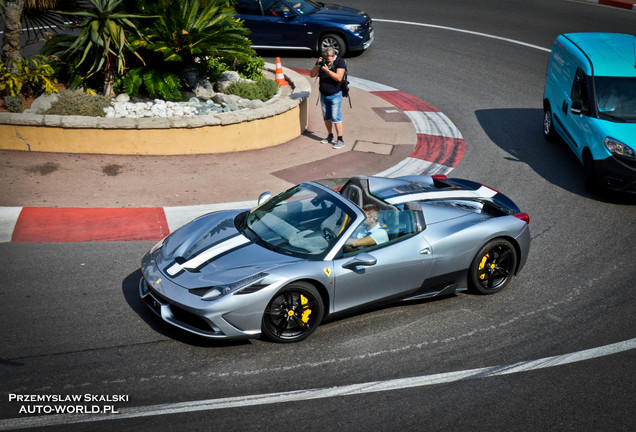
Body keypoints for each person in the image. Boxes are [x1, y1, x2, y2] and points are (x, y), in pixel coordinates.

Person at [310, 47, 347, 149]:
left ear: (333, 55)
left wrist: (327, 71)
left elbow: (339, 78)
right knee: (326, 117)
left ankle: (340, 140)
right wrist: (318, 65)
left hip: (336, 94)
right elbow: (312, 75)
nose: (328, 59)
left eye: (330, 57)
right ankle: (330, 135)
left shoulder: (340, 62)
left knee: (336, 117)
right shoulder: (322, 61)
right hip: (324, 94)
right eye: (326, 57)